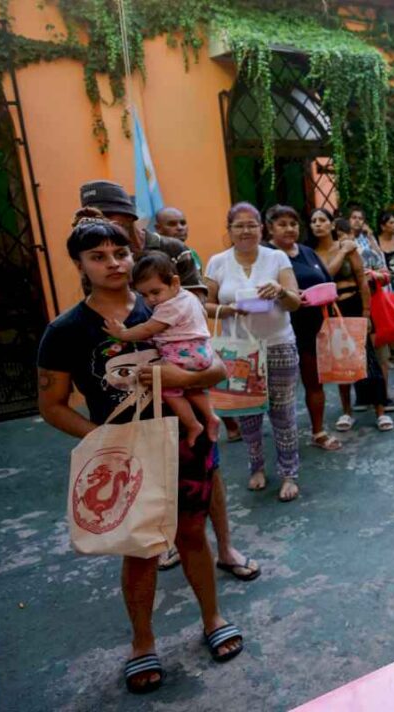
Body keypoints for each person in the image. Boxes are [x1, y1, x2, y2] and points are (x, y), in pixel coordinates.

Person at [37, 214, 244, 694]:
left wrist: (183, 381)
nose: (113, 263)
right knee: (140, 549)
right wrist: (101, 440)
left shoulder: (163, 302)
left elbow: (213, 368)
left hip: (185, 442)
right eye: (97, 257)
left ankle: (213, 618)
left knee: (193, 533)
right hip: (126, 456)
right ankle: (143, 643)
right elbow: (50, 405)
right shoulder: (65, 330)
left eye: (119, 253)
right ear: (80, 265)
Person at [79, 185, 257, 582]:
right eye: (93, 222)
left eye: (110, 218)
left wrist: (181, 376)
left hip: (184, 370)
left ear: (128, 216)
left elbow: (194, 325)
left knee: (207, 473)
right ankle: (170, 542)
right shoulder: (96, 257)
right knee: (149, 478)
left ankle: (224, 546)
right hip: (135, 399)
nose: (105, 230)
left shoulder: (171, 250)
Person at [205, 202, 304, 502]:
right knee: (246, 413)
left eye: (252, 224)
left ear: (262, 228)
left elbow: (295, 302)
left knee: (283, 413)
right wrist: (228, 309)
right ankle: (256, 467)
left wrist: (280, 291)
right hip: (239, 351)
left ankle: (290, 473)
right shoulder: (217, 262)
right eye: (239, 225)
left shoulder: (276, 258)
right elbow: (204, 305)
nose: (246, 230)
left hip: (278, 344)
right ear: (230, 230)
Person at [104, 253, 221, 446]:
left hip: (183, 353)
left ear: (175, 282)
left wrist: (123, 333)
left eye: (155, 292)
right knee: (192, 388)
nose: (150, 300)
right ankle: (211, 416)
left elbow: (148, 328)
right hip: (202, 352)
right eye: (144, 295)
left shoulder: (169, 306)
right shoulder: (189, 297)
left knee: (169, 390)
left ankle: (193, 424)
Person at [263, 205, 343, 451]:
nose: (289, 229)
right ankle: (280, 438)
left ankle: (318, 431)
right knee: (276, 390)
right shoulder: (265, 255)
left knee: (313, 383)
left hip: (312, 328)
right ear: (269, 228)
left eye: (293, 224)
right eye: (282, 224)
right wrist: (288, 294)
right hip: (278, 329)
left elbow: (328, 281)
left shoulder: (308, 252)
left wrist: (322, 294)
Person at [321, 217, 394, 432]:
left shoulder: (351, 249)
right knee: (339, 362)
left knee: (369, 358)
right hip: (331, 308)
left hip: (353, 304)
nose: (319, 225)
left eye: (323, 221)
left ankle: (380, 410)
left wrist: (365, 313)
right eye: (314, 221)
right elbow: (324, 276)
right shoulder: (313, 252)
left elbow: (362, 281)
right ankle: (346, 411)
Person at [376, 211, 394, 394]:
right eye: (391, 222)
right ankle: (390, 351)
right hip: (384, 282)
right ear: (382, 225)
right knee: (387, 314)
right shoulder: (376, 241)